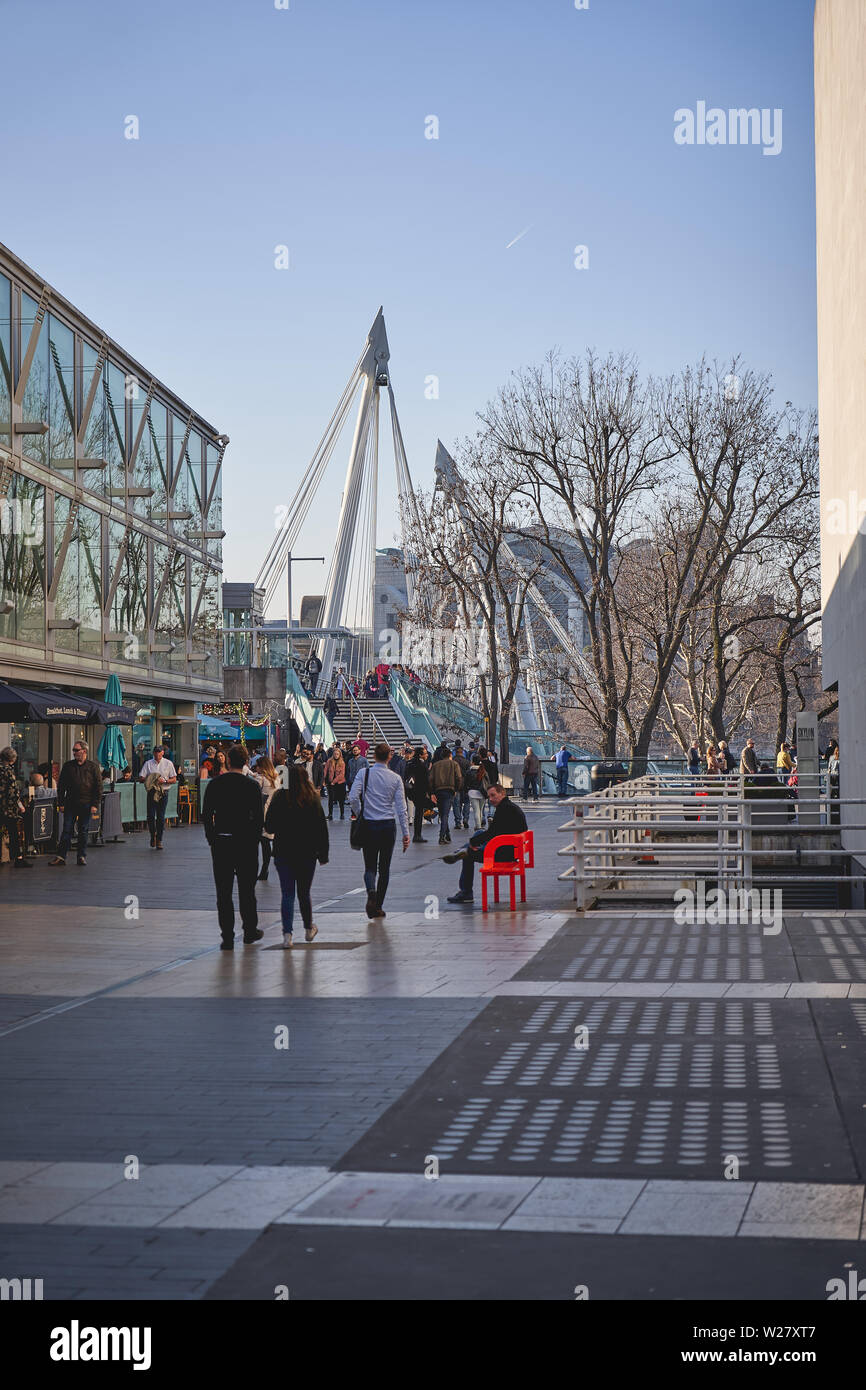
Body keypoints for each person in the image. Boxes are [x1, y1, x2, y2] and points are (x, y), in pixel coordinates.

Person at [201, 743, 264, 950]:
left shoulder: (215, 784)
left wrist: (212, 837)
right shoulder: (252, 786)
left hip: (222, 841)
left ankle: (227, 936)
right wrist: (253, 840)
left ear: (227, 761)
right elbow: (258, 819)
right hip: (245, 843)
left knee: (224, 892)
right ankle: (249, 930)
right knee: (247, 890)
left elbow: (206, 814)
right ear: (246, 762)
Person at [264, 763, 329, 947]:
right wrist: (323, 854)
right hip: (307, 853)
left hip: (283, 852)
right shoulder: (312, 798)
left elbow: (269, 826)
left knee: (287, 894)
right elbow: (321, 829)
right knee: (303, 893)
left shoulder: (279, 797)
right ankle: (308, 927)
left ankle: (287, 935)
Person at [348, 742, 410, 919]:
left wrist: (361, 812)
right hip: (387, 826)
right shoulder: (395, 778)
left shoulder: (364, 773)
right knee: (384, 868)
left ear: (374, 756)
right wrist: (406, 833)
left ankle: (371, 892)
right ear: (389, 757)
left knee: (369, 867)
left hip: (369, 824)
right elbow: (401, 807)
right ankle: (378, 906)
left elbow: (353, 797)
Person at [446, 784, 528, 905]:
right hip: (511, 848)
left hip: (504, 853)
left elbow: (493, 833)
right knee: (479, 832)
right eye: (489, 796)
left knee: (468, 855)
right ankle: (462, 850)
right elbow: (497, 832)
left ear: (502, 794)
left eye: (493, 795)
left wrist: (473, 842)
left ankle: (466, 892)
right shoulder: (510, 807)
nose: (490, 799)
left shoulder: (504, 809)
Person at [50, 740, 102, 867]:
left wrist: (95, 804)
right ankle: (61, 856)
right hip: (70, 803)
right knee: (67, 830)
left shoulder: (93, 767)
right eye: (73, 750)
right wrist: (61, 803)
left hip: (86, 803)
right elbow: (61, 786)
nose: (74, 752)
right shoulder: (68, 766)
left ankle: (81, 856)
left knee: (83, 830)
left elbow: (98, 787)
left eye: (76, 750)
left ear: (84, 751)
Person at [139, 743, 177, 850]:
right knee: (150, 816)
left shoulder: (168, 763)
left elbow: (174, 779)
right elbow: (141, 777)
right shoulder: (148, 763)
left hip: (164, 792)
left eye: (159, 752)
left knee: (160, 816)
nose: (157, 754)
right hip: (152, 791)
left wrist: (164, 780)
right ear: (153, 753)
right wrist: (151, 778)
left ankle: (159, 839)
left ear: (162, 753)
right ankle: (153, 835)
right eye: (155, 752)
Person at [0, 746, 31, 868]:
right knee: (13, 833)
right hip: (7, 809)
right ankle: (18, 858)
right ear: (12, 759)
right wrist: (20, 805)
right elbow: (13, 792)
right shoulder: (8, 771)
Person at [254, 755, 280, 880]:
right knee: (266, 842)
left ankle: (263, 870)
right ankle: (265, 869)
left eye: (257, 766)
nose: (256, 769)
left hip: (262, 812)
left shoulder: (261, 778)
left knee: (260, 842)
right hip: (274, 811)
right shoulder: (276, 777)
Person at [429, 746, 462, 845]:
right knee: (445, 814)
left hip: (438, 790)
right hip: (449, 790)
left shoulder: (436, 765)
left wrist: (432, 793)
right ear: (450, 755)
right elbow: (459, 778)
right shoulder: (454, 764)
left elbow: (430, 779)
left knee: (442, 812)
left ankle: (447, 834)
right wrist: (457, 789)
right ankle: (442, 836)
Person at [404, 745, 431, 843]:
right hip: (420, 791)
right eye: (425, 753)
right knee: (419, 813)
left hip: (411, 791)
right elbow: (425, 780)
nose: (427, 755)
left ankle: (417, 834)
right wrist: (429, 792)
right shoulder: (421, 765)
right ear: (420, 755)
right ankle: (417, 835)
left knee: (417, 812)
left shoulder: (410, 763)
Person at [465, 754, 490, 830]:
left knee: (476, 810)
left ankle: (478, 826)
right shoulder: (483, 771)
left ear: (472, 762)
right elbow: (488, 782)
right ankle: (479, 825)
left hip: (472, 792)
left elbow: (466, 783)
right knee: (480, 809)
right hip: (482, 793)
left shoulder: (469, 772)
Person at [324, 745, 348, 820]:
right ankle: (330, 814)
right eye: (335, 754)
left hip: (340, 783)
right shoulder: (329, 761)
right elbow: (325, 771)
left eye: (337, 754)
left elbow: (342, 774)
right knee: (330, 799)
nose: (336, 755)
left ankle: (342, 814)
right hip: (330, 782)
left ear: (340, 754)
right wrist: (324, 780)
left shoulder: (342, 763)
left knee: (341, 799)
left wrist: (334, 782)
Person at [453, 743, 471, 829]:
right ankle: (466, 819)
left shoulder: (453, 761)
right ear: (462, 752)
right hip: (466, 784)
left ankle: (458, 822)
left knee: (457, 803)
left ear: (456, 752)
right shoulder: (467, 762)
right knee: (467, 802)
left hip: (456, 785)